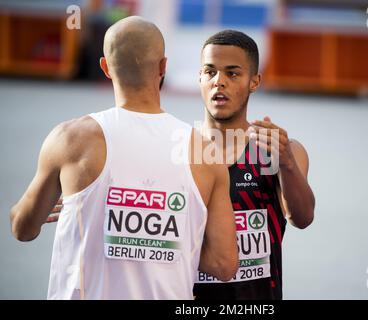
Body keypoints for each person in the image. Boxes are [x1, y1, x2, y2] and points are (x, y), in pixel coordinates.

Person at [9, 17, 238, 300]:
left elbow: (22, 228)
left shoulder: (70, 138)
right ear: (163, 67)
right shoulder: (205, 152)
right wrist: (170, 237)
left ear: (104, 66)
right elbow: (224, 264)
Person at [193, 30, 316, 300]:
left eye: (232, 73)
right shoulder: (180, 149)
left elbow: (302, 218)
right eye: (209, 72)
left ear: (254, 81)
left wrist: (286, 164)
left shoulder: (280, 150)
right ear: (199, 77)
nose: (218, 82)